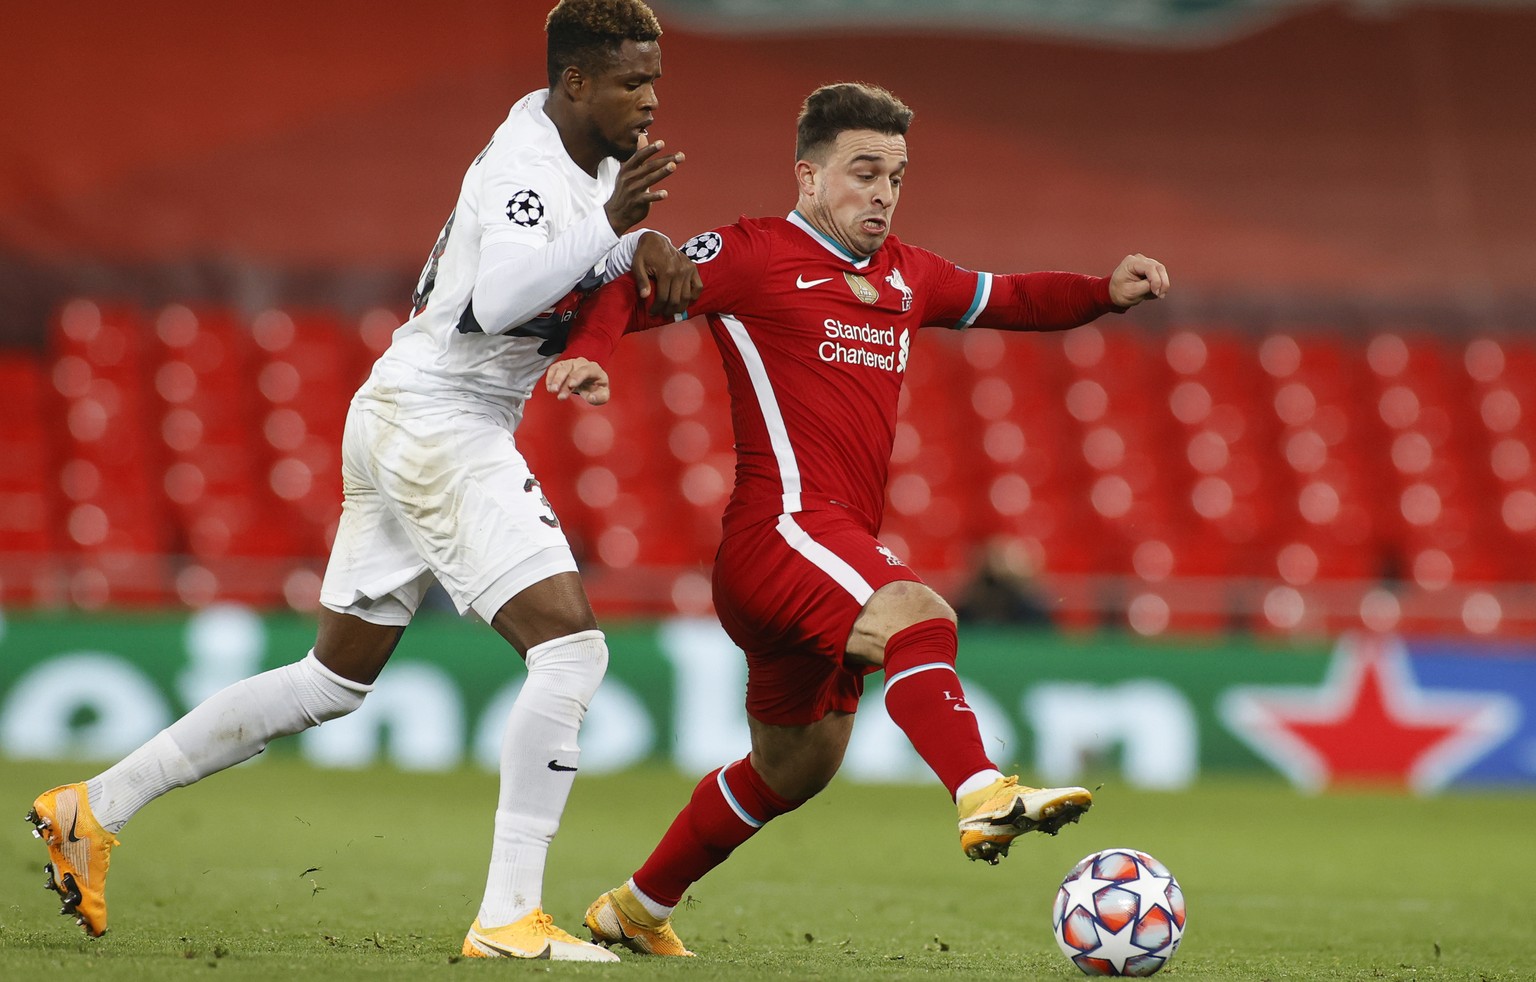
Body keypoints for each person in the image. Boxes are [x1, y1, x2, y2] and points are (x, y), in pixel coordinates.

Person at [26, 0, 701, 962]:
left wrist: (638, 244)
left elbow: (576, 259)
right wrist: (616, 222)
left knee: (333, 680)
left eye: (657, 80)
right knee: (571, 653)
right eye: (634, 81)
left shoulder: (577, 159)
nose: (651, 99)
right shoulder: (528, 168)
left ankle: (94, 806)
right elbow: (506, 296)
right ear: (578, 82)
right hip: (439, 420)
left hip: (402, 411)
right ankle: (510, 915)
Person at [543, 81, 1169, 957]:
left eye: (897, 177)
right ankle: (982, 791)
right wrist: (588, 355)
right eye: (863, 172)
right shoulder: (756, 253)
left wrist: (1104, 290)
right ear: (808, 176)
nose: (882, 194)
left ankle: (637, 907)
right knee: (920, 613)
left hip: (817, 549)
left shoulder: (908, 275)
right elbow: (637, 289)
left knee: (797, 766)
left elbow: (1013, 297)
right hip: (782, 529)